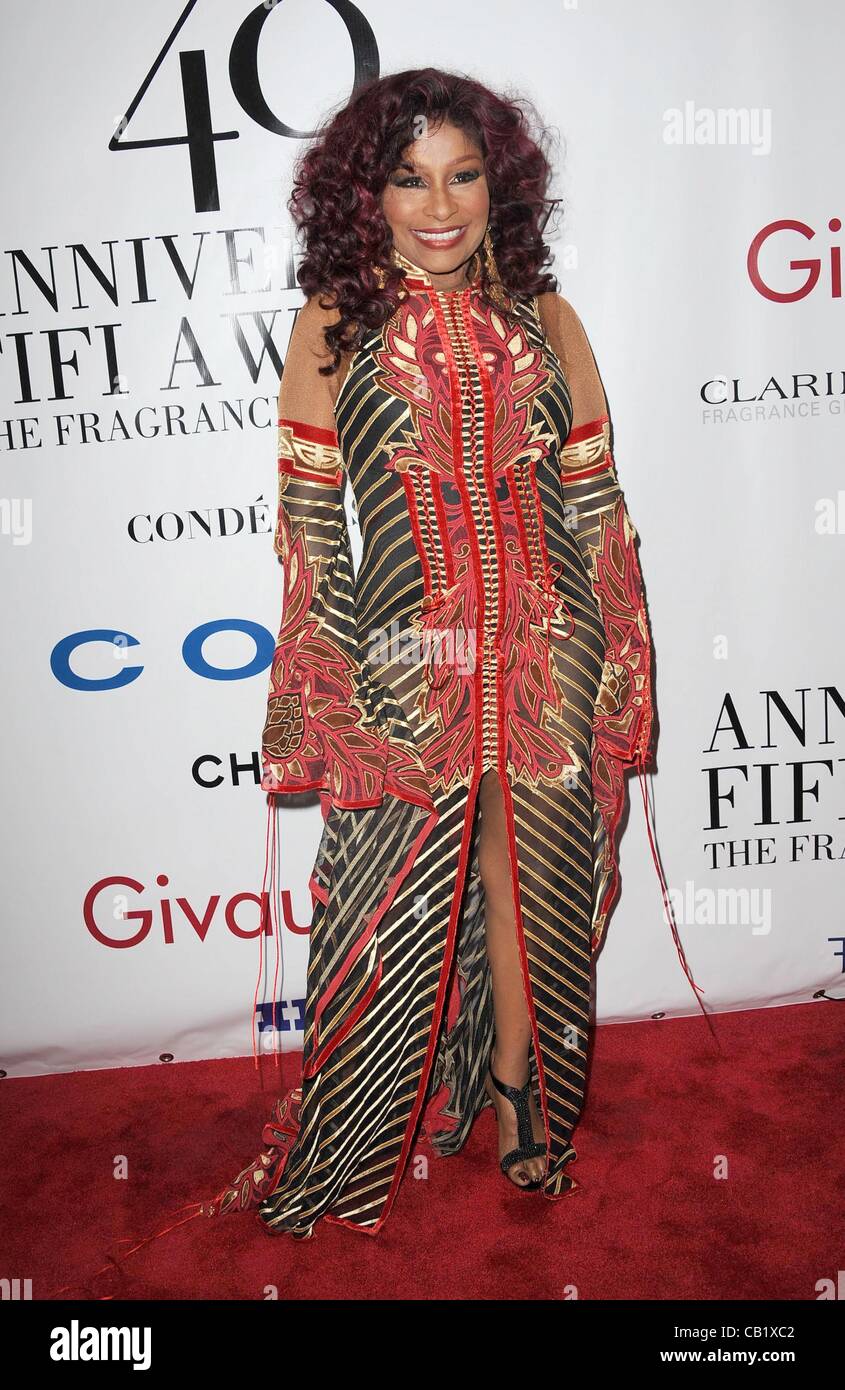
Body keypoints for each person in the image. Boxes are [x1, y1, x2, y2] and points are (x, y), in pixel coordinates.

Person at [201, 66, 673, 1242]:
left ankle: (522, 1093)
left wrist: (616, 660)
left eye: (463, 175)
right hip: (412, 650)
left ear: (495, 184)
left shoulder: (544, 316)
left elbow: (596, 499)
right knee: (379, 904)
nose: (439, 203)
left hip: (552, 642)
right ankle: (355, 1137)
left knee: (539, 888)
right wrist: (336, 678)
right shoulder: (334, 319)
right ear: (369, 193)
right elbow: (313, 522)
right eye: (409, 178)